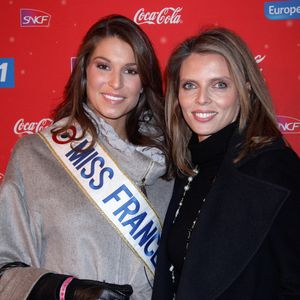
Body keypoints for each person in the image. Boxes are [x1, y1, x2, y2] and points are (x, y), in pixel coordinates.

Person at [0, 14, 174, 300]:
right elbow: (4, 268)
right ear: (84, 72)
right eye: (104, 66)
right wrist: (67, 291)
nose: (115, 83)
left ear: (144, 81)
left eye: (130, 71)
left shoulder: (169, 162)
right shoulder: (35, 155)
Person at [152, 27, 300, 300]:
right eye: (190, 85)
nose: (202, 99)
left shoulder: (274, 169)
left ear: (245, 89)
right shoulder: (185, 166)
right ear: (177, 95)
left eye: (219, 84)